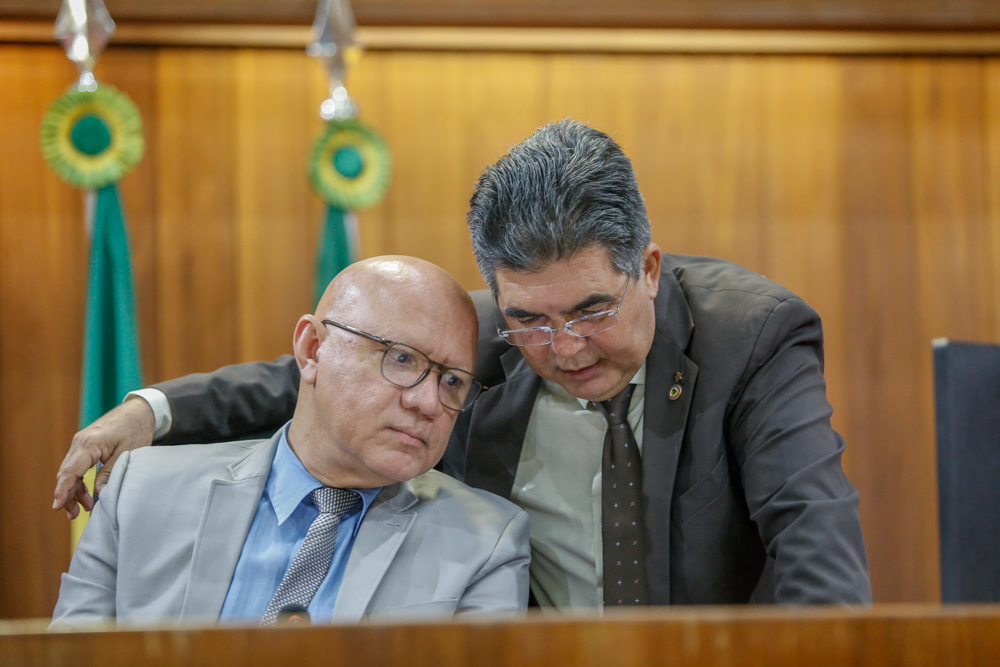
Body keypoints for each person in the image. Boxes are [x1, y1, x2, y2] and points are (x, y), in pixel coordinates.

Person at [55, 120, 871, 608]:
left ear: (648, 269)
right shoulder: (476, 340)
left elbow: (816, 545)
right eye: (530, 319)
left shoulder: (752, 336)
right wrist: (149, 412)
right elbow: (314, 378)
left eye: (592, 310)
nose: (565, 347)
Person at [51, 257, 530, 626]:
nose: (428, 402)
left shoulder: (486, 543)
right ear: (312, 349)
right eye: (403, 359)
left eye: (452, 381)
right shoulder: (142, 491)